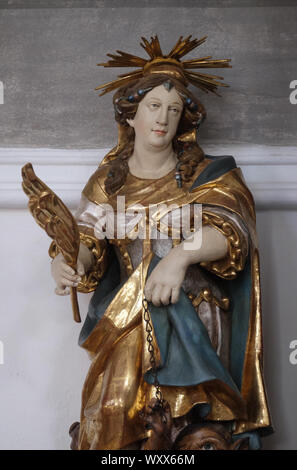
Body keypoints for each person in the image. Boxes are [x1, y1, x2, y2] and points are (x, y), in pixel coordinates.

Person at [50, 36, 272, 450]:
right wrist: (69, 264)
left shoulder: (208, 176)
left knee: (189, 429)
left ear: (184, 121)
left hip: (195, 319)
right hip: (125, 321)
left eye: (174, 110)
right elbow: (86, 240)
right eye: (154, 106)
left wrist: (179, 258)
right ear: (130, 116)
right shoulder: (108, 183)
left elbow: (232, 231)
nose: (164, 118)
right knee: (114, 412)